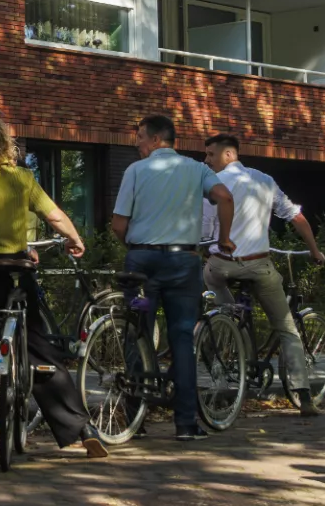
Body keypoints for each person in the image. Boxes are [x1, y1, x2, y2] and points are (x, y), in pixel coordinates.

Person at [0, 114, 106, 466]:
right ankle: (81, 428)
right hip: (18, 271)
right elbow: (55, 215)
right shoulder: (23, 178)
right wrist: (74, 239)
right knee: (40, 347)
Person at [110, 114, 235, 442]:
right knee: (182, 337)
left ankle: (134, 420)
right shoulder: (197, 169)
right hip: (183, 260)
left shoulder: (135, 171)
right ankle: (184, 424)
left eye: (139, 137)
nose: (136, 143)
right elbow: (225, 197)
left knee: (137, 334)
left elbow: (118, 225)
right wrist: (224, 239)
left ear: (154, 140)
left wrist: (138, 247)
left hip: (142, 261)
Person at [198, 133, 325, 416]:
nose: (206, 160)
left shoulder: (212, 185)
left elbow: (204, 230)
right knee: (286, 329)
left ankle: (229, 326)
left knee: (212, 277)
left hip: (222, 264)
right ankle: (303, 395)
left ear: (229, 155)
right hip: (259, 265)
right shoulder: (265, 180)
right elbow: (296, 217)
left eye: (210, 154)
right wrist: (315, 251)